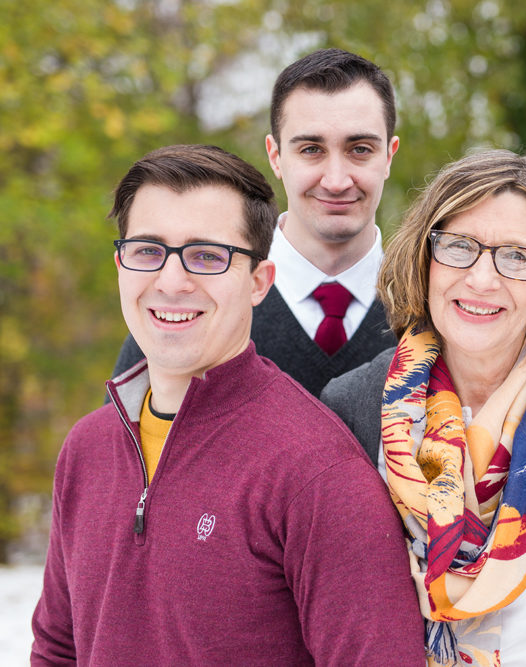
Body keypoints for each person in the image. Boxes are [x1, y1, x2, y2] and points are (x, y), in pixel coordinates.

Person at [31, 145, 424, 665]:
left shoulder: (316, 472)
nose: (171, 282)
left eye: (207, 256)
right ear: (120, 264)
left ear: (259, 282)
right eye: (147, 250)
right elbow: (58, 650)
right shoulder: (87, 449)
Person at [321, 149, 526, 667]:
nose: (481, 279)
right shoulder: (350, 408)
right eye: (459, 247)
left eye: (516, 256)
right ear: (426, 259)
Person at [110, 47, 400, 396]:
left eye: (360, 150)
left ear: (388, 156)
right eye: (311, 150)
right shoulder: (180, 312)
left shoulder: (434, 317)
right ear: (275, 156)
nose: (336, 181)